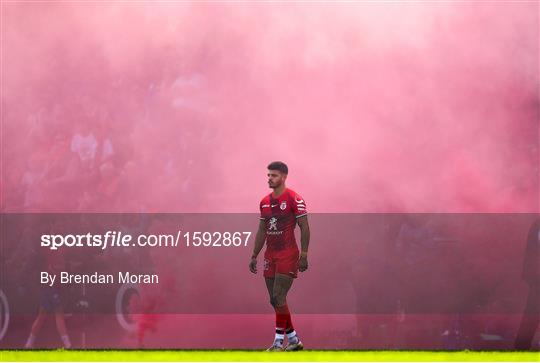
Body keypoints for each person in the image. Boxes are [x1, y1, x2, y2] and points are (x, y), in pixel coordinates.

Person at [249, 161, 310, 351]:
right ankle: (293, 340)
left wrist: (304, 254)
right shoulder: (264, 202)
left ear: (283, 177)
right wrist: (254, 254)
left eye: (273, 175)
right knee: (275, 300)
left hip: (288, 254)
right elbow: (261, 230)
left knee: (278, 295)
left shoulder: (294, 198)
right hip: (270, 255)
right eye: (268, 175)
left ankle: (277, 343)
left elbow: (305, 226)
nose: (269, 178)